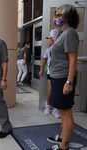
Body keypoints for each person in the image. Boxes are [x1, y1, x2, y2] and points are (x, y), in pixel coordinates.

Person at [45, 4, 79, 150]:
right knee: (61, 110)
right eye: (56, 14)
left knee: (65, 113)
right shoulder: (61, 32)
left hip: (63, 78)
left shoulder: (69, 33)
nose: (56, 17)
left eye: (58, 15)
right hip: (56, 76)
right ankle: (62, 137)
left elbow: (73, 59)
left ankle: (63, 146)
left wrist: (69, 82)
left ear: (67, 17)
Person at [39, 33, 61, 119]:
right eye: (49, 40)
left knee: (57, 92)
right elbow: (44, 61)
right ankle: (48, 105)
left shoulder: (59, 51)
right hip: (50, 73)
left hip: (59, 74)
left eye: (51, 40)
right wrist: (41, 70)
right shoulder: (48, 51)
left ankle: (56, 109)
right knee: (51, 91)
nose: (49, 42)